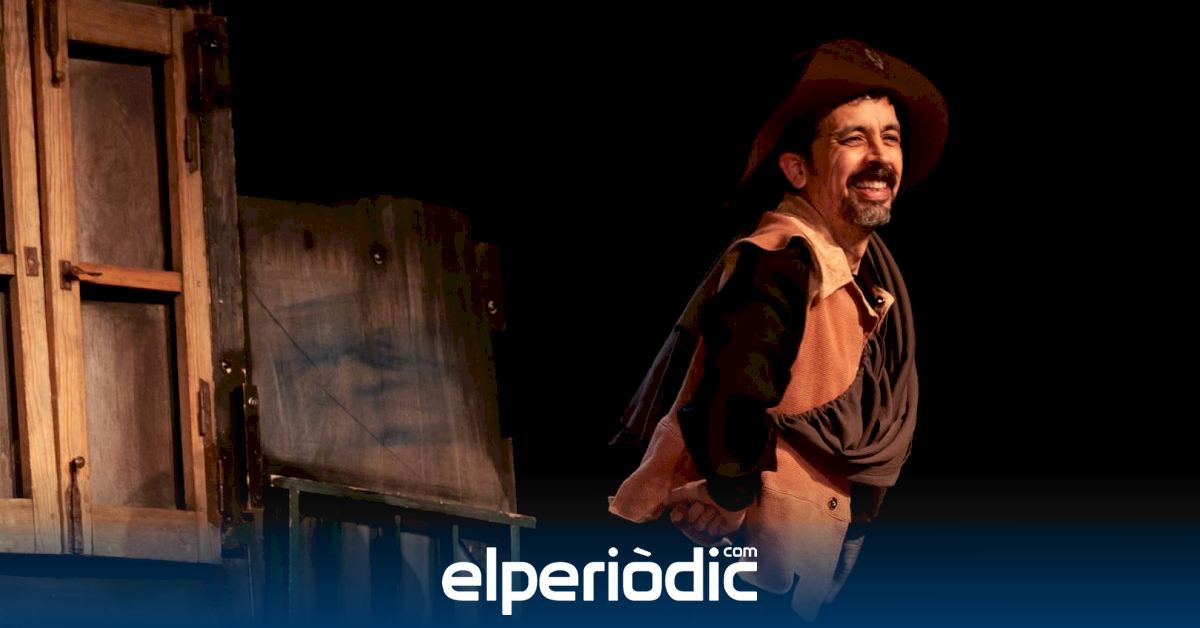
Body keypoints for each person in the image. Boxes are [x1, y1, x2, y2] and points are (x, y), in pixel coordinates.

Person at [608, 39, 948, 620]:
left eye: (889, 138)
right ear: (797, 169)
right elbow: (737, 385)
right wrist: (730, 491)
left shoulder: (860, 280)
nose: (879, 157)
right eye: (853, 139)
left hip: (780, 559)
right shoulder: (783, 258)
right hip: (729, 557)